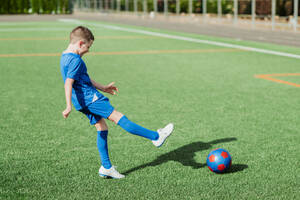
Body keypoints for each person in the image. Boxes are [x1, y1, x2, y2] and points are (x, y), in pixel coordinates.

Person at [60, 26, 174, 179]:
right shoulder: (76, 60)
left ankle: (106, 167)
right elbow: (68, 83)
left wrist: (103, 87)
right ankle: (156, 137)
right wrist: (67, 106)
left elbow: (82, 77)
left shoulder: (65, 56)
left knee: (102, 127)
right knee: (118, 117)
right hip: (90, 99)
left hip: (81, 101)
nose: (88, 50)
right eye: (88, 47)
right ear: (81, 43)